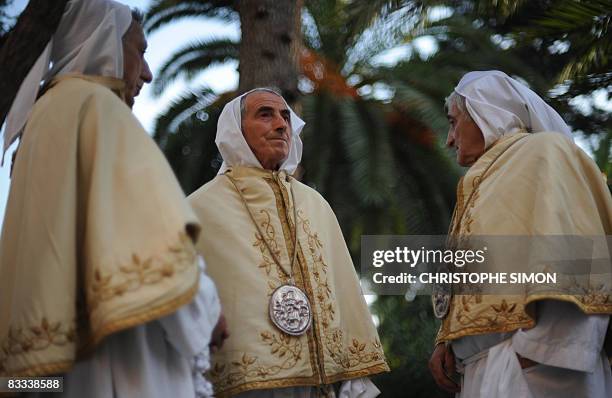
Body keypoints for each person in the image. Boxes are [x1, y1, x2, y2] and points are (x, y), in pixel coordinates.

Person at [0, 1, 226, 396]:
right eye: (139, 50)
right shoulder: (97, 106)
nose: (148, 72)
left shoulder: (44, 114)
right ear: (103, 41)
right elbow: (155, 250)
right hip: (129, 359)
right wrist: (207, 312)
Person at [188, 88, 389, 397]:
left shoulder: (314, 204)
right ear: (235, 131)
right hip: (243, 385)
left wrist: (355, 377)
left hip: (323, 383)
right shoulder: (198, 209)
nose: (282, 125)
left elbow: (344, 290)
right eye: (265, 114)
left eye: (285, 116)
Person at [429, 70, 612, 397]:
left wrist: (542, 351)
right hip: (486, 369)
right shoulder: (483, 180)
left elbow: (576, 252)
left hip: (534, 370)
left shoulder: (545, 151)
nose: (449, 139)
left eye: (453, 121)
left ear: (485, 114)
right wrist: (450, 341)